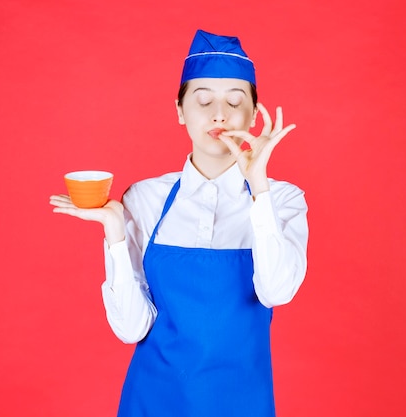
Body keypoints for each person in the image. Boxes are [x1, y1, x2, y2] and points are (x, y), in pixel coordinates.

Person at [49, 29, 308, 417]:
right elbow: (131, 329)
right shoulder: (144, 199)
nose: (219, 113)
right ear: (179, 110)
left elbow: (277, 291)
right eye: (203, 100)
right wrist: (115, 231)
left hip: (242, 402)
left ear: (254, 114)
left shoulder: (282, 200)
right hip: (153, 401)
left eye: (234, 102)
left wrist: (258, 186)